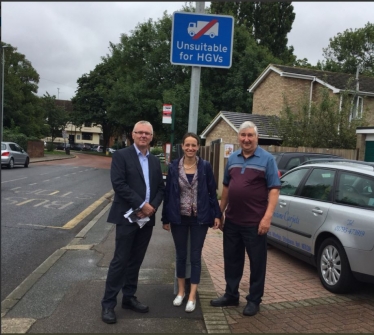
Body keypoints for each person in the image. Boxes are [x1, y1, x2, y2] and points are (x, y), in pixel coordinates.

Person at [210, 121, 281, 317]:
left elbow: (274, 190)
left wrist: (267, 218)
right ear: (239, 137)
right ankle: (231, 296)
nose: (246, 139)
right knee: (232, 260)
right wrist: (219, 213)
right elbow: (226, 188)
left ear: (256, 137)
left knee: (257, 263)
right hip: (232, 221)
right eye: (243, 135)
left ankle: (254, 300)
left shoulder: (267, 159)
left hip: (255, 223)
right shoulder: (232, 158)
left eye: (250, 135)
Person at [101, 121, 165, 324]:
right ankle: (108, 304)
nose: (143, 136)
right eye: (140, 132)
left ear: (152, 137)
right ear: (133, 134)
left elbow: (161, 188)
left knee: (136, 261)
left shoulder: (155, 161)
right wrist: (141, 204)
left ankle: (129, 298)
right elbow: (118, 184)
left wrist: (151, 207)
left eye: (147, 133)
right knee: (120, 261)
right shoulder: (121, 156)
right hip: (128, 216)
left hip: (146, 219)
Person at [162, 132, 221, 313]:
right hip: (178, 218)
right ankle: (181, 292)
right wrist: (165, 218)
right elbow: (168, 194)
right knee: (181, 256)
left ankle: (192, 295)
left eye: (193, 145)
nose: (190, 148)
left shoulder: (205, 166)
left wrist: (217, 215)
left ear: (198, 147)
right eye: (187, 145)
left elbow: (212, 192)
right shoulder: (173, 167)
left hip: (199, 219)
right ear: (182, 146)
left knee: (195, 257)